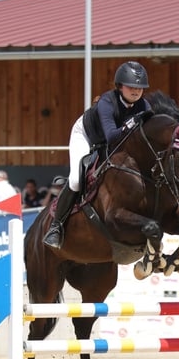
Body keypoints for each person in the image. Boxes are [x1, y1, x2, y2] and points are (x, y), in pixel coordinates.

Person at [43, 61, 152, 249]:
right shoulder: (107, 102)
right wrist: (133, 122)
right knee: (77, 180)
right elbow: (110, 136)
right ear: (120, 86)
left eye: (140, 87)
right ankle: (56, 227)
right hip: (86, 136)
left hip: (116, 142)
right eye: (131, 86)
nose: (136, 91)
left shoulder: (144, 105)